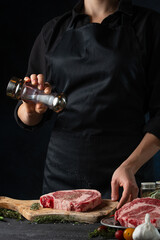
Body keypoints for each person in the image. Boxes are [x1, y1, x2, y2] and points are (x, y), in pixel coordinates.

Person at [15, 0, 160, 209]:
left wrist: (131, 166)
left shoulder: (150, 26)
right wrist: (30, 110)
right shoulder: (54, 31)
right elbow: (29, 115)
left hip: (126, 178)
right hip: (61, 178)